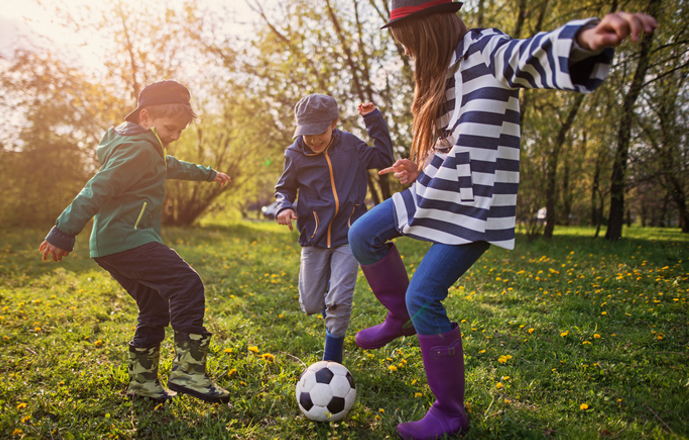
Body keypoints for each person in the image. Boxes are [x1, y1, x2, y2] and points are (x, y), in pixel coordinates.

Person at [348, 2, 657, 439]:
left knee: (424, 296)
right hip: (434, 192)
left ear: (429, 28)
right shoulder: (439, 74)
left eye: (408, 43)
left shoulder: (484, 48)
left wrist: (587, 40)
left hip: (474, 208)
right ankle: (400, 318)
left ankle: (450, 412)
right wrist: (420, 168)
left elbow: (528, 54)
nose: (408, 54)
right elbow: (454, 145)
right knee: (362, 233)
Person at [39, 80, 233, 404]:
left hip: (112, 245)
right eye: (171, 128)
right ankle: (189, 371)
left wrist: (207, 173)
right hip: (127, 238)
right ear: (145, 118)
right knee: (186, 283)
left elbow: (171, 165)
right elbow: (96, 189)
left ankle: (143, 382)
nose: (175, 136)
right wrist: (62, 232)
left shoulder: (145, 149)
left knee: (154, 305)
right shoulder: (138, 148)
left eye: (180, 131)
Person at [274, 94, 394, 364]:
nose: (314, 141)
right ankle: (330, 294)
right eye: (308, 135)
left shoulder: (350, 145)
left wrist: (374, 120)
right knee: (312, 305)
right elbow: (284, 188)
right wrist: (283, 206)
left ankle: (332, 362)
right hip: (313, 237)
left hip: (348, 235)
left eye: (320, 133)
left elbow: (383, 156)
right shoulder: (295, 153)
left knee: (339, 302)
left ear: (334, 123)